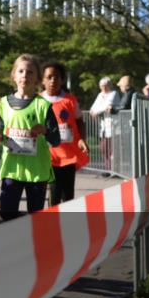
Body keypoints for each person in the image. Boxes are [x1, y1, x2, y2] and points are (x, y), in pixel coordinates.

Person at [0, 55, 61, 221]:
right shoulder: (3, 103)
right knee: (6, 213)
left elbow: (56, 139)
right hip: (12, 167)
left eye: (30, 72)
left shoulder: (43, 105)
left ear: (38, 79)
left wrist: (45, 130)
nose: (25, 75)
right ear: (14, 75)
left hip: (36, 170)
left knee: (36, 217)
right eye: (21, 71)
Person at [40, 62, 89, 206]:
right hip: (49, 155)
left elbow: (80, 121)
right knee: (54, 192)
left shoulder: (70, 100)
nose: (53, 80)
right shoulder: (38, 101)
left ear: (62, 80)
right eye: (49, 77)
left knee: (68, 194)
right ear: (43, 80)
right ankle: (52, 225)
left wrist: (82, 139)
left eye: (57, 77)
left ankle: (66, 224)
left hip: (69, 155)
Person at [88, 77, 119, 175]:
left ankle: (113, 170)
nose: (103, 88)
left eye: (105, 86)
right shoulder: (100, 95)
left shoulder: (114, 93)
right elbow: (93, 107)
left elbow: (107, 106)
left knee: (109, 148)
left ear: (109, 85)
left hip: (114, 126)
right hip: (104, 127)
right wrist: (95, 111)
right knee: (104, 148)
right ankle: (109, 169)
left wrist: (96, 111)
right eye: (101, 86)